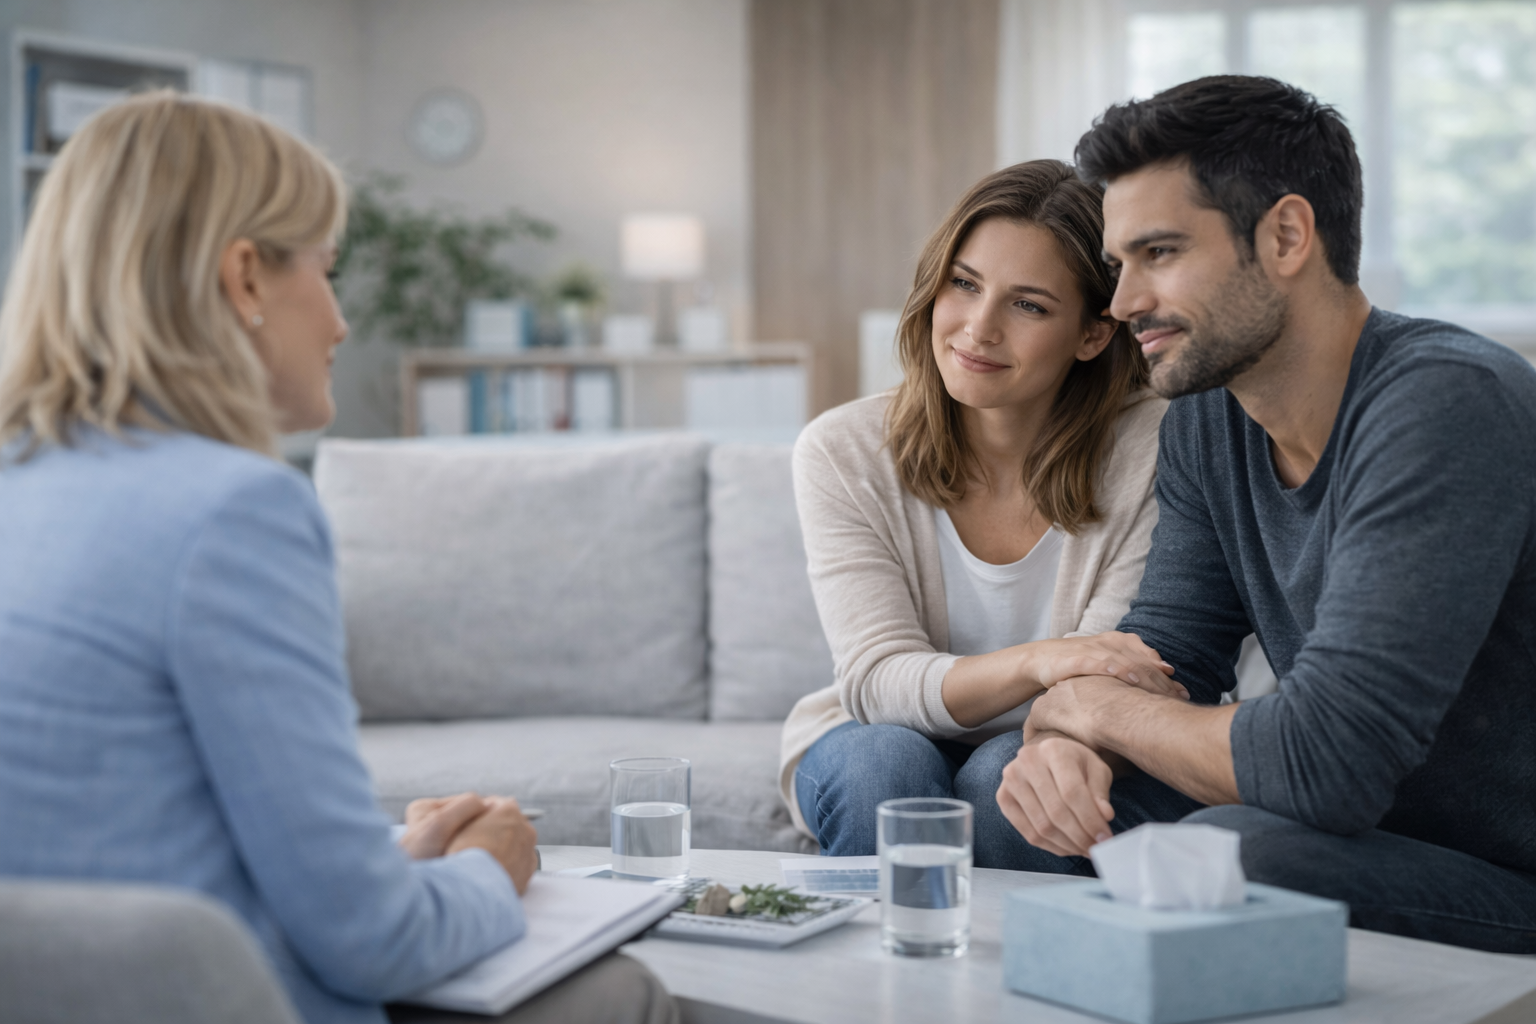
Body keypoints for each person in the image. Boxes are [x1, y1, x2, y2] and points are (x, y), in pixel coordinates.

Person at [0, 92, 678, 1024]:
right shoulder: (235, 512)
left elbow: (127, 835)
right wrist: (493, 868)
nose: (341, 321)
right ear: (244, 280)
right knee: (623, 992)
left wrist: (383, 863)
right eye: (325, 270)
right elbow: (374, 943)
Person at [996, 75, 1536, 954]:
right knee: (1011, 793)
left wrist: (1095, 712)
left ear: (1286, 235)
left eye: (1160, 253)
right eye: (1117, 263)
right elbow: (1162, 655)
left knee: (1233, 856)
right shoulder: (1210, 422)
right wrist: (1068, 732)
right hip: (1355, 834)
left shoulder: (1448, 403)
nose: (1123, 300)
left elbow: (1328, 764)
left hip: (1505, 871)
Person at [781, 160, 1193, 866]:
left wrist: (1059, 681)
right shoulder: (842, 450)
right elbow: (878, 681)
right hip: (874, 731)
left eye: (1028, 305)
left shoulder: (1158, 448)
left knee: (1005, 776)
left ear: (1094, 335)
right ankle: (873, 979)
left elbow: (1109, 680)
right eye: (964, 285)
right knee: (887, 769)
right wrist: (1043, 659)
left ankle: (1021, 977)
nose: (977, 329)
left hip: (1073, 735)